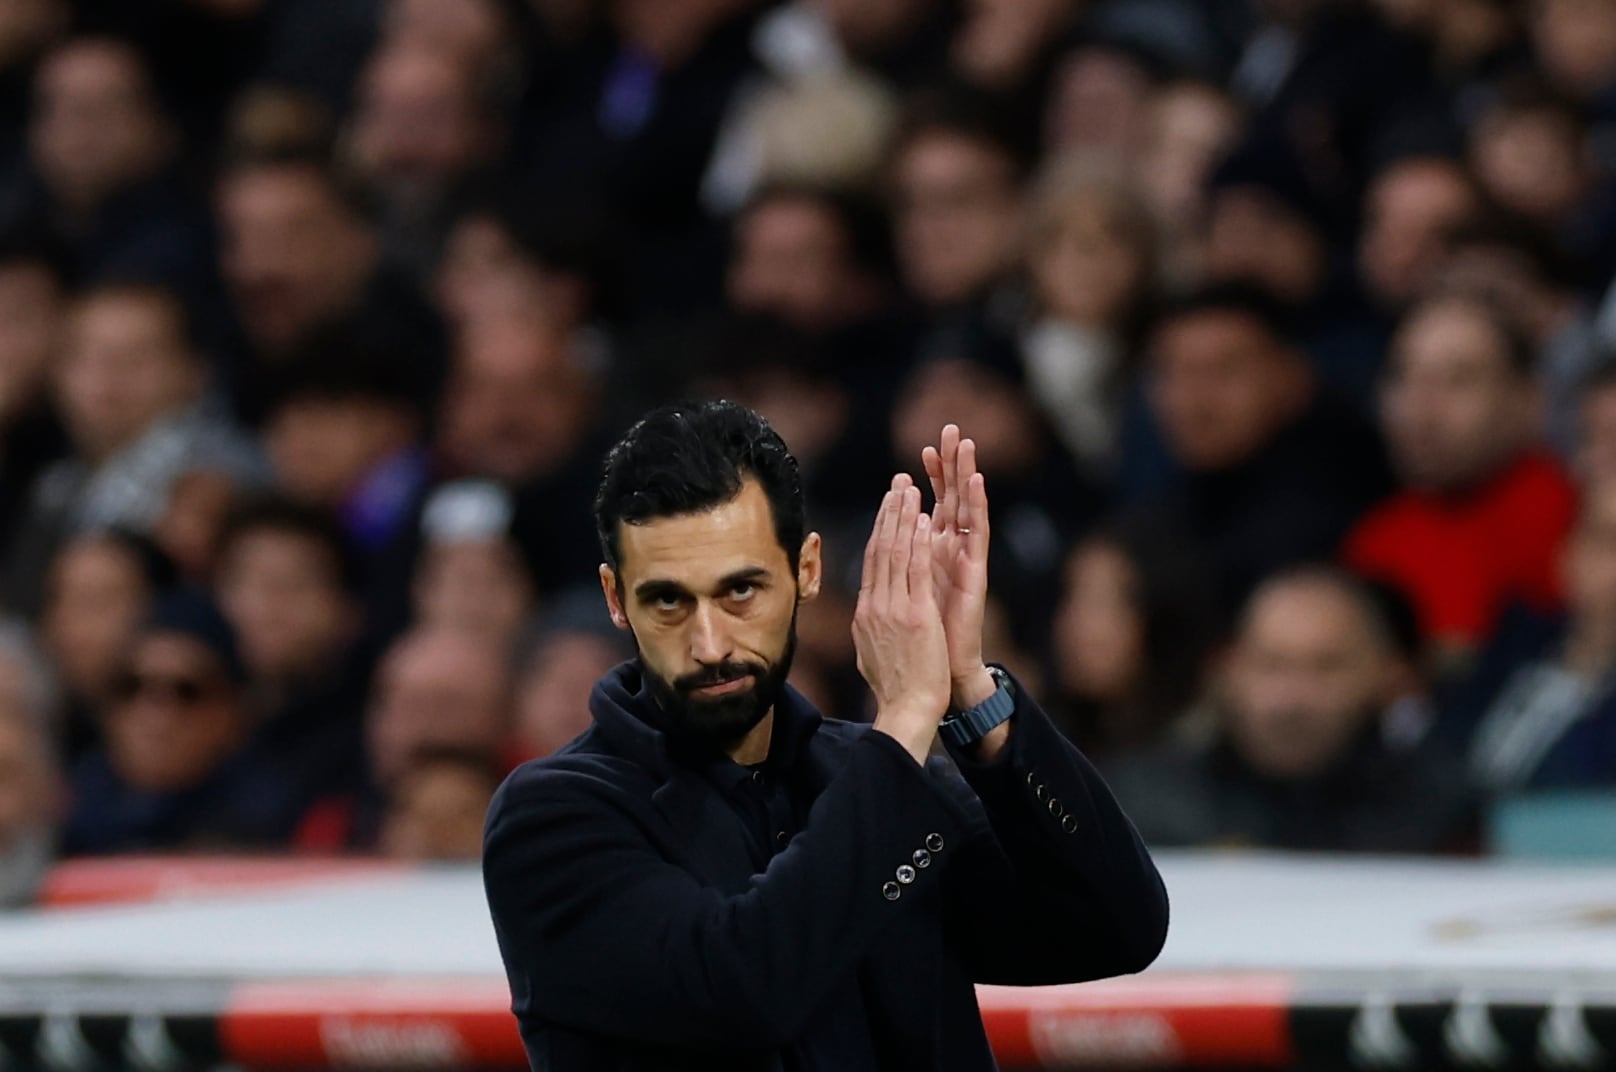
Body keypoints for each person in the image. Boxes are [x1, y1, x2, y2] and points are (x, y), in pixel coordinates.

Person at [482, 402, 1168, 1070]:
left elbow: (1118, 928)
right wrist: (902, 717)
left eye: (741, 591)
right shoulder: (551, 818)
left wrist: (969, 689)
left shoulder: (872, 779)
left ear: (806, 570)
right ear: (614, 597)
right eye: (668, 600)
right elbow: (746, 990)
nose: (710, 642)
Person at [1104, 567, 1477, 853]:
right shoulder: (1138, 807)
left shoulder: (1438, 811)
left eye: (1326, 666)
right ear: (1228, 671)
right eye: (1271, 664)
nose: (1293, 699)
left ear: (1386, 675)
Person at [1343, 294, 1578, 667]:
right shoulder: (1376, 538)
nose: (1420, 409)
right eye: (1403, 377)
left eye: (1459, 380)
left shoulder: (1581, 525)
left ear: (1530, 399)